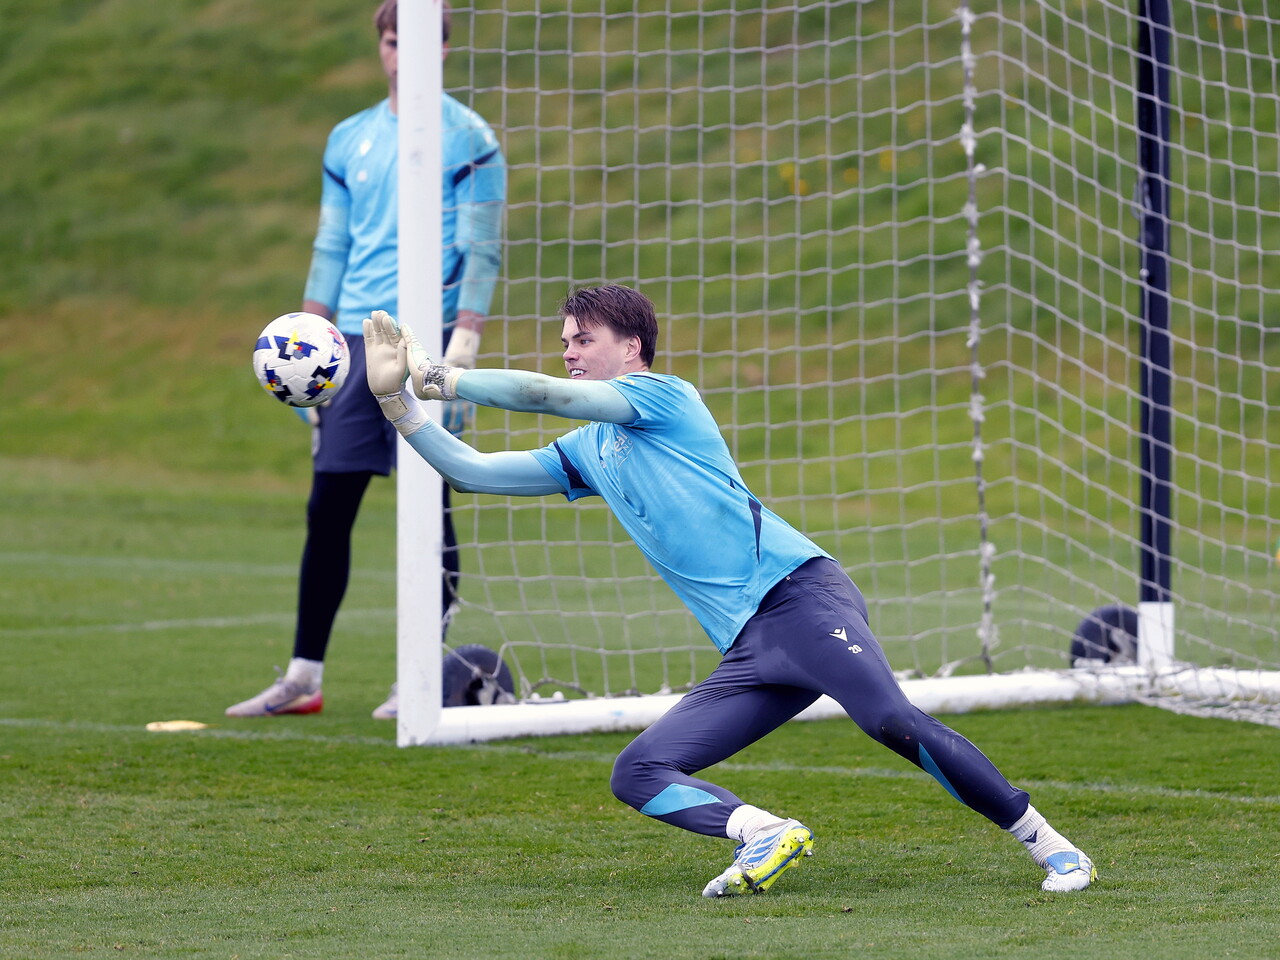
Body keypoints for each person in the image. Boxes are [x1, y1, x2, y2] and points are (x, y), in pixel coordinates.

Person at [357, 284, 1098, 897]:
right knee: (637, 771)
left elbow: (545, 395)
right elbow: (471, 472)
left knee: (888, 719)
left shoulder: (662, 398)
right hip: (751, 647)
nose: (570, 352)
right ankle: (762, 832)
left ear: (632, 349)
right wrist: (401, 408)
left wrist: (437, 375)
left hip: (803, 599)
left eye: (583, 339)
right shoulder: (587, 450)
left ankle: (1052, 846)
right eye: (565, 342)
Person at [227, 0, 505, 720]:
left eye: (410, 41)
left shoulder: (470, 138)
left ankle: (417, 677)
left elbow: (483, 250)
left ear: (441, 50)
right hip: (349, 348)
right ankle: (302, 676)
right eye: (388, 40)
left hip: (427, 343)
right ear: (380, 46)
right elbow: (332, 245)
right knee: (329, 508)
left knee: (431, 507)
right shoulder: (348, 138)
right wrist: (305, 346)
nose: (398, 53)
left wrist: (462, 347)